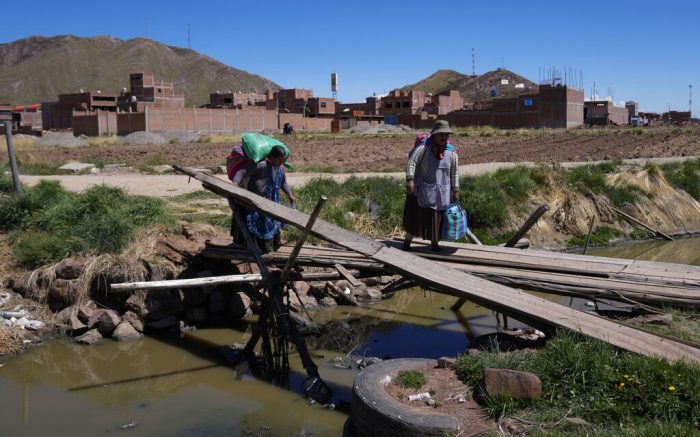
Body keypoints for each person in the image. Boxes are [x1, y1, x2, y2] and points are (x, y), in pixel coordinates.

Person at [402, 120, 459, 252]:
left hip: (442, 192)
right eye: (440, 134)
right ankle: (407, 242)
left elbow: (454, 172)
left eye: (446, 134)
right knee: (416, 218)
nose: (443, 137)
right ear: (434, 135)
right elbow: (412, 162)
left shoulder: (452, 153)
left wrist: (455, 189)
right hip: (422, 190)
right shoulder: (424, 148)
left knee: (436, 220)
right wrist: (410, 179)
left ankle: (434, 244)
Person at [231, 145, 296, 253]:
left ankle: (270, 250)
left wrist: (289, 193)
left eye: (282, 160)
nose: (281, 162)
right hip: (256, 203)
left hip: (273, 203)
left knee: (273, 225)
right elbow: (242, 172)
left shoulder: (281, 168)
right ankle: (253, 250)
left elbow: (283, 182)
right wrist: (235, 183)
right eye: (279, 159)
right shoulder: (261, 165)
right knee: (257, 225)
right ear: (273, 157)